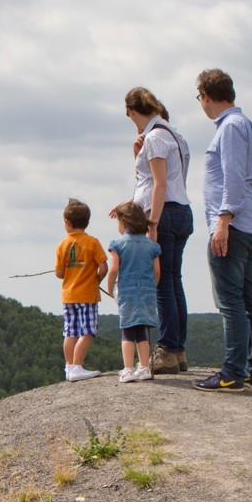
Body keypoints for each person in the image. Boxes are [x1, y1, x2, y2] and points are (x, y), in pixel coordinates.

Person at [191, 69, 252, 393]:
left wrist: (223, 220)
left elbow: (234, 175)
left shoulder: (230, 128)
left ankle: (232, 373)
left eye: (199, 98)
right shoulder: (246, 125)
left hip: (234, 227)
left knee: (232, 303)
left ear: (206, 96)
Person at [113, 87, 194, 374]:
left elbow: (160, 185)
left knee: (162, 284)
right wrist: (138, 154)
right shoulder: (175, 136)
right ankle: (178, 350)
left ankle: (168, 348)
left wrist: (153, 223)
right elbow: (169, 180)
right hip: (181, 210)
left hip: (165, 213)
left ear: (133, 112)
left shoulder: (156, 137)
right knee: (174, 281)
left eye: (130, 116)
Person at [107, 201, 162, 383]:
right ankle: (144, 368)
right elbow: (157, 272)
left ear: (124, 222)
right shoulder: (152, 246)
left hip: (127, 292)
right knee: (141, 330)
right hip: (147, 292)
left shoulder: (118, 244)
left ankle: (128, 370)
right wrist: (151, 287)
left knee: (128, 331)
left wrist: (109, 288)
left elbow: (114, 269)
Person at [54, 198, 108, 382]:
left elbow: (59, 273)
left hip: (68, 295)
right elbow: (104, 267)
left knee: (70, 332)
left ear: (68, 223)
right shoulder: (93, 242)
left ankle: (69, 367)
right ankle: (77, 366)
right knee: (87, 331)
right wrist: (96, 279)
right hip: (87, 295)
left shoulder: (62, 245)